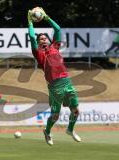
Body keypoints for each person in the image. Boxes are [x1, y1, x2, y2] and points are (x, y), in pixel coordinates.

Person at [27, 7, 81, 146]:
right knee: (55, 115)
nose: (43, 40)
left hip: (67, 80)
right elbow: (32, 37)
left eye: (45, 38)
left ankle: (70, 129)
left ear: (48, 40)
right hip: (54, 85)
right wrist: (30, 22)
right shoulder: (38, 53)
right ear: (39, 43)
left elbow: (58, 29)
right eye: (41, 39)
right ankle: (47, 131)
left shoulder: (54, 47)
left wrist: (47, 17)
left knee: (75, 110)